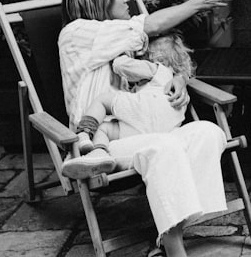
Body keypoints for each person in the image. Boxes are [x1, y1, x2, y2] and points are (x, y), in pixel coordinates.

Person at [58, 0, 237, 257]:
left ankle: (165, 248)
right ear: (98, 1)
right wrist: (198, 3)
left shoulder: (121, 41)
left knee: (207, 133)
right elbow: (150, 25)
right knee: (165, 149)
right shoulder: (76, 34)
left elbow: (157, 71)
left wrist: (178, 82)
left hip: (145, 130)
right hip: (104, 142)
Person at [62, 34, 194, 179]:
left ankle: (88, 138)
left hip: (143, 113)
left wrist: (125, 50)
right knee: (111, 127)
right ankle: (98, 154)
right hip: (167, 129)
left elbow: (120, 65)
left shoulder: (155, 68)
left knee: (103, 106)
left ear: (152, 56)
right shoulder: (178, 84)